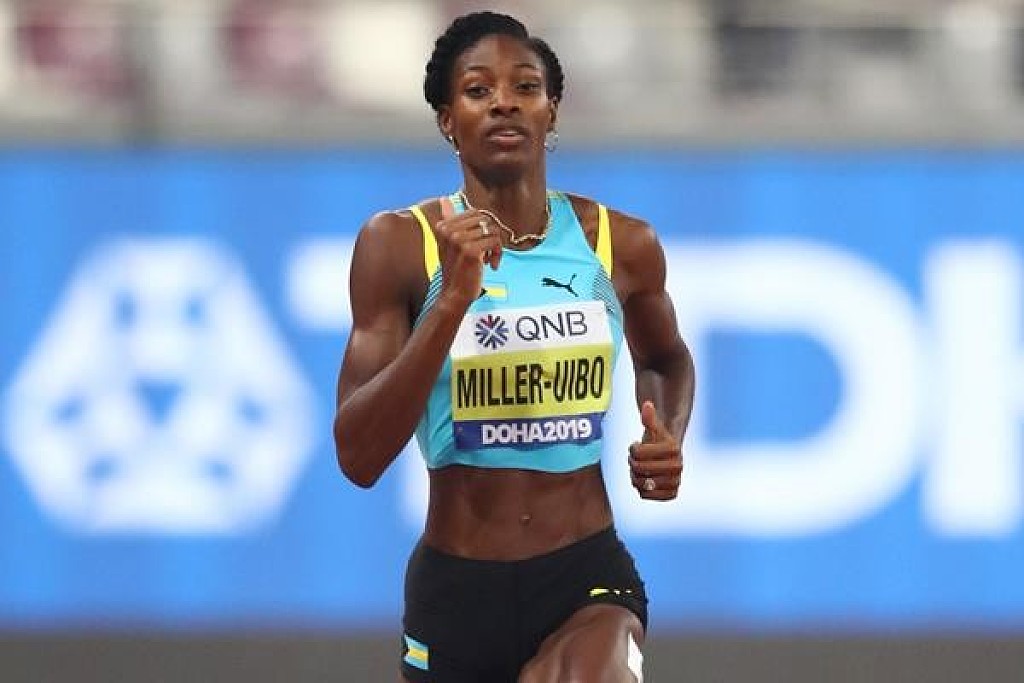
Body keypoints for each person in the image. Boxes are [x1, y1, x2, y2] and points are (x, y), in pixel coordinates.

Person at [333, 11, 694, 682]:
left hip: (585, 575)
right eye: (478, 90)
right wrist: (450, 302)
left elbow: (665, 358)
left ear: (551, 111)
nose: (504, 101)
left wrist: (667, 433)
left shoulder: (619, 244)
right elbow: (358, 455)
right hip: (456, 592)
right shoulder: (399, 245)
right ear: (447, 119)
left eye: (526, 87)